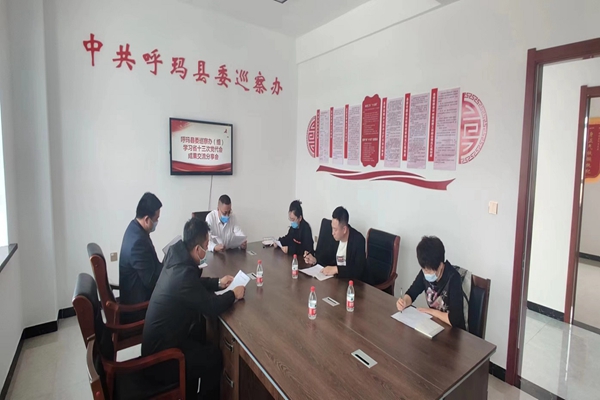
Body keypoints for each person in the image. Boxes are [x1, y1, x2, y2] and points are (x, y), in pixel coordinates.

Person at [142, 217, 245, 400]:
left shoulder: (176, 259)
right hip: (161, 360)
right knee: (213, 357)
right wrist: (233, 294)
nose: (207, 248)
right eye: (206, 245)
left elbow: (193, 284)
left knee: (200, 336)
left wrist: (218, 282)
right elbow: (211, 307)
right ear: (198, 249)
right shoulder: (183, 275)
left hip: (161, 343)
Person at [396, 236, 466, 330]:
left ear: (441, 265)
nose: (426, 273)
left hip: (454, 331)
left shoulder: (453, 278)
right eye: (424, 269)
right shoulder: (425, 270)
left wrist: (429, 311)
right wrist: (404, 302)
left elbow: (454, 320)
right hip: (435, 326)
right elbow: (412, 292)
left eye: (429, 271)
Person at [119, 192, 163, 317]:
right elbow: (151, 282)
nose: (157, 222)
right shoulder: (138, 242)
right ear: (147, 219)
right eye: (156, 219)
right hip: (138, 308)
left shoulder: (134, 228)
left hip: (138, 293)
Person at [303, 206, 366, 279]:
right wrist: (315, 260)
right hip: (335, 280)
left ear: (344, 229)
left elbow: (358, 270)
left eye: (335, 229)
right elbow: (326, 258)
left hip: (351, 282)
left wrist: (336, 269)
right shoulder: (334, 238)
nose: (332, 233)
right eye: (332, 228)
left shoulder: (358, 240)